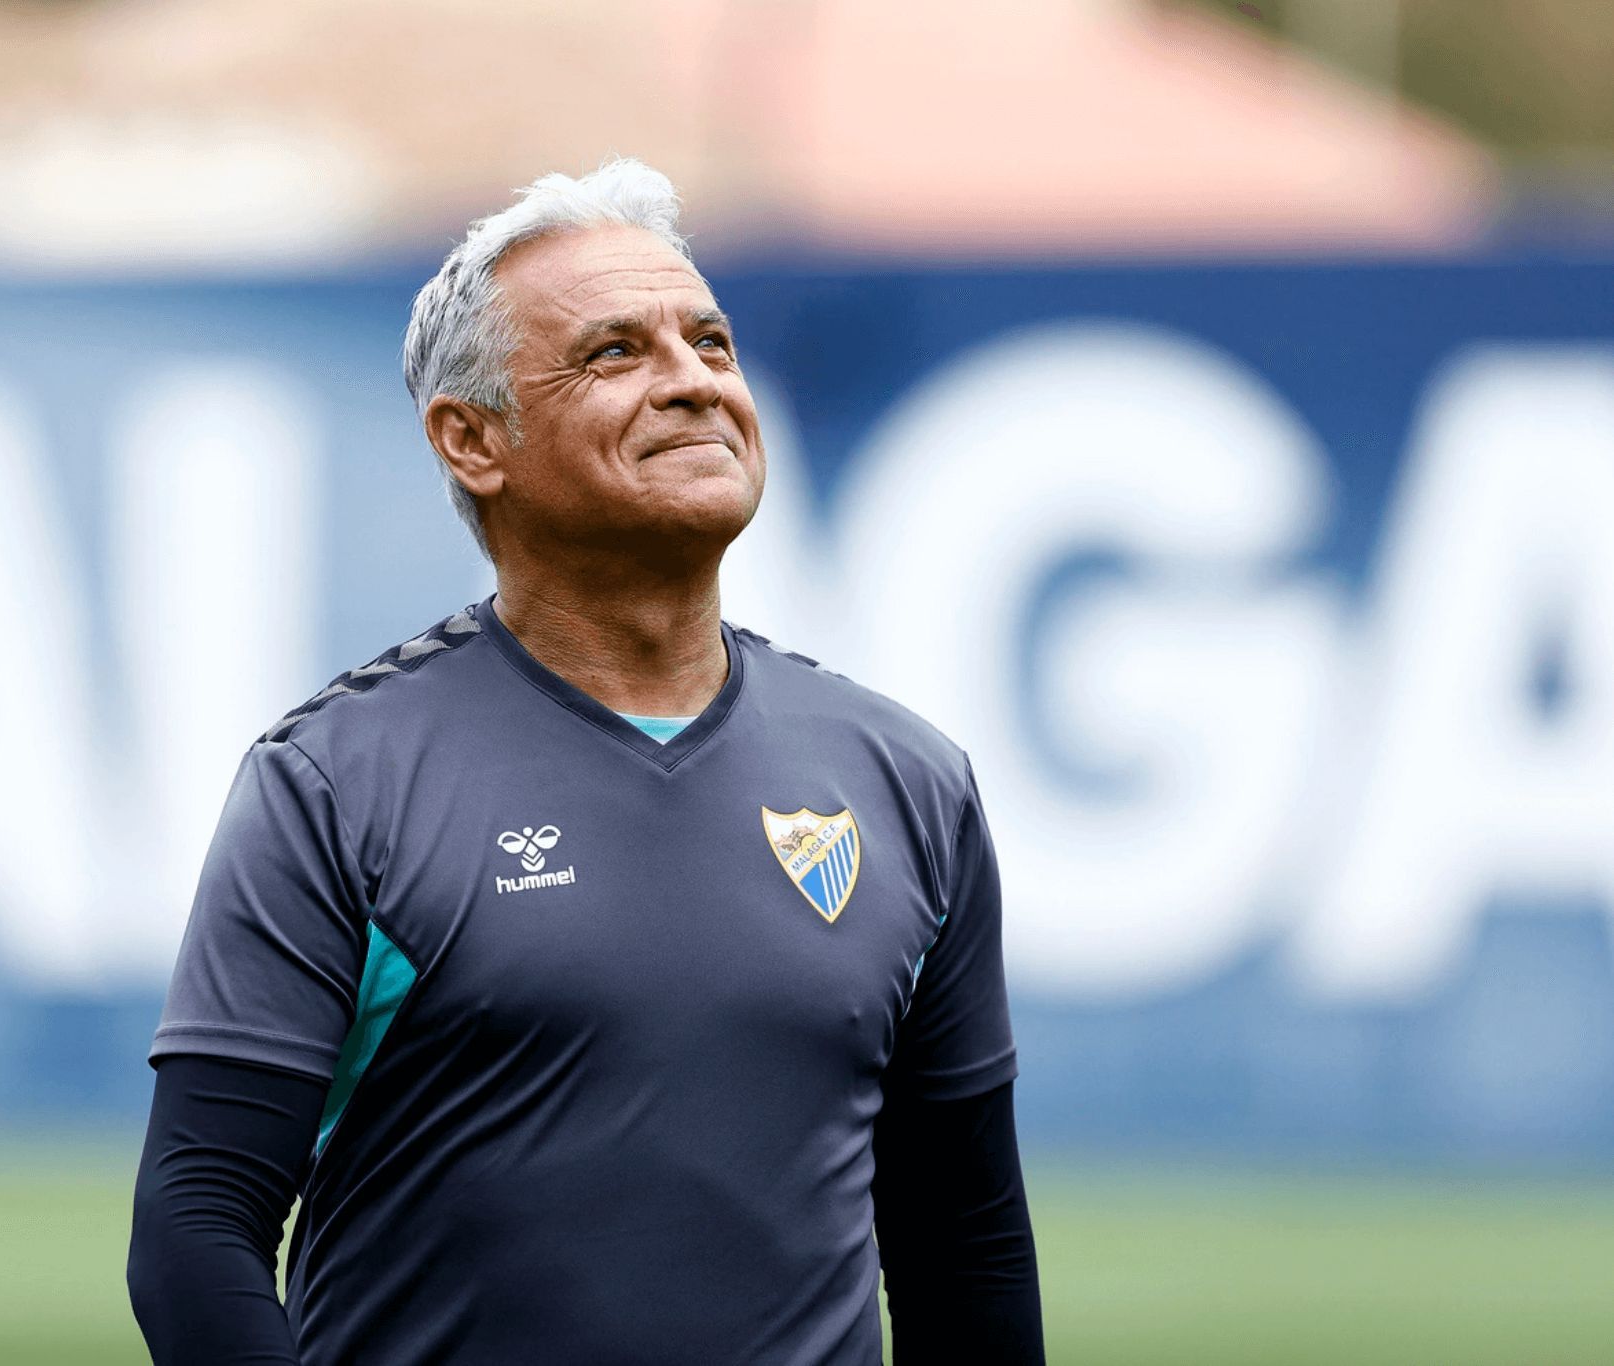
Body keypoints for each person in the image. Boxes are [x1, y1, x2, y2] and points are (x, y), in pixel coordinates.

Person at [127, 157, 1044, 1365]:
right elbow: (196, 1226)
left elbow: (959, 1241)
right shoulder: (336, 783)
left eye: (709, 343)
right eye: (615, 352)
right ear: (472, 440)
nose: (691, 383)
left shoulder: (906, 780)